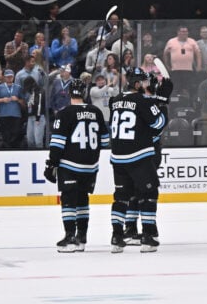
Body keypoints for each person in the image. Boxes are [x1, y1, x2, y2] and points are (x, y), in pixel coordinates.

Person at [45, 78, 109, 252]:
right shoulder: (96, 112)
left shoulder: (65, 113)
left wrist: (51, 164)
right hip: (90, 166)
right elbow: (104, 141)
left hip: (70, 165)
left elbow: (57, 143)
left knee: (68, 199)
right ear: (85, 93)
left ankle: (70, 236)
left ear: (69, 93)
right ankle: (81, 237)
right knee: (82, 199)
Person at [109, 68, 167, 253]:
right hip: (138, 155)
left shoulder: (116, 100)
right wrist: (162, 105)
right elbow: (158, 124)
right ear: (136, 84)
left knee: (121, 198)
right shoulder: (141, 100)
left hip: (118, 157)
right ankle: (148, 236)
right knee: (149, 194)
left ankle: (117, 236)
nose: (145, 85)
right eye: (142, 82)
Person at [0, 68, 26, 148]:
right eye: (7, 77)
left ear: (13, 77)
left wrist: (17, 99)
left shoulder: (18, 87)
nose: (9, 78)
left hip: (16, 115)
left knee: (16, 134)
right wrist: (2, 100)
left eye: (11, 77)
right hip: (4, 114)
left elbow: (24, 102)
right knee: (5, 135)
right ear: (4, 77)